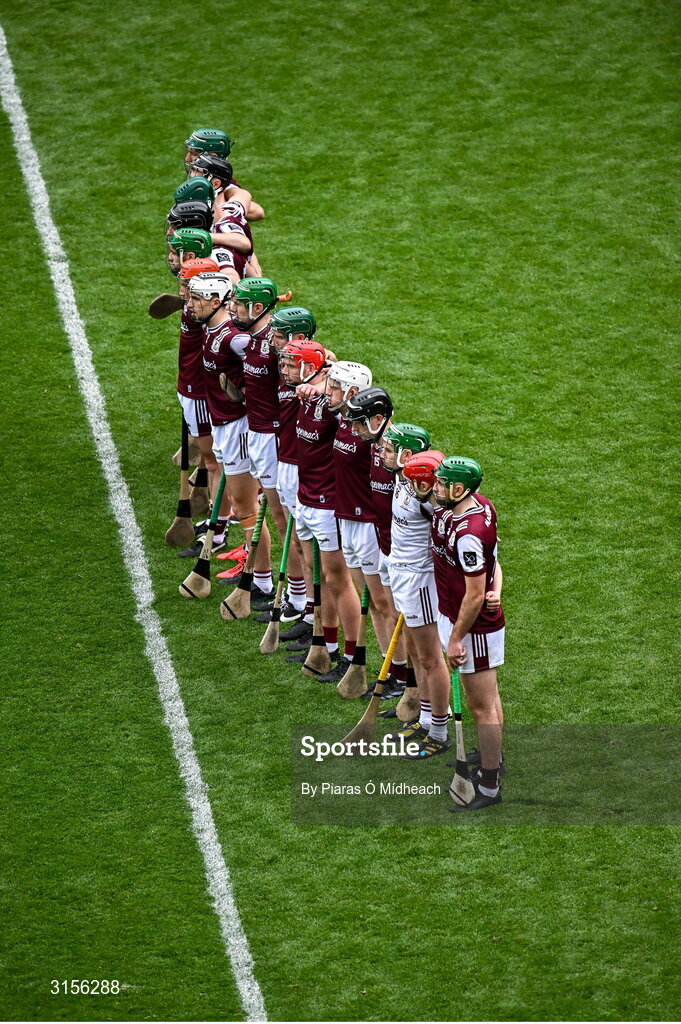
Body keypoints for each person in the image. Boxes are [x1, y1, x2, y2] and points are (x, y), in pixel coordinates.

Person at [280, 339, 360, 673]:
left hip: (327, 505)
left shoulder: (335, 409)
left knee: (337, 580)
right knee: (319, 575)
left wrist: (323, 389)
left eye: (336, 386)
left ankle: (353, 657)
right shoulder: (307, 395)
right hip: (306, 498)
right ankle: (324, 646)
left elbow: (347, 397)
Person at [184, 272, 268, 587]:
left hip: (238, 427)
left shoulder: (234, 337)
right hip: (224, 424)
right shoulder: (211, 328)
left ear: (215, 301)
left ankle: (259, 576)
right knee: (241, 500)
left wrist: (249, 395)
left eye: (196, 299)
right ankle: (247, 559)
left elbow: (267, 361)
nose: (189, 305)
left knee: (246, 505)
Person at [431, 456, 505, 808]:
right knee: (488, 701)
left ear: (459, 489)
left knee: (482, 708)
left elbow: (475, 595)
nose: (436, 487)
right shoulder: (477, 506)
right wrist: (498, 591)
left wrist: (456, 637)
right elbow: (496, 561)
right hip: (460, 617)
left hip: (472, 627)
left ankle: (489, 785)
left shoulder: (469, 536)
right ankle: (496, 760)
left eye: (442, 484)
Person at [379, 424, 451, 758]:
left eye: (390, 449)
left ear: (408, 456)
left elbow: (446, 520)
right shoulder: (401, 477)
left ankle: (439, 731)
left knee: (430, 658)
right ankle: (424, 717)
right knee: (415, 652)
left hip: (420, 581)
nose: (383, 453)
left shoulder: (426, 491)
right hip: (402, 575)